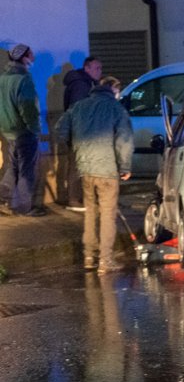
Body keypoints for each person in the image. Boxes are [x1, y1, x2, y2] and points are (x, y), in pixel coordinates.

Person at [57, 77, 134, 274]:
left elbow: (60, 129)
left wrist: (74, 148)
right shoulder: (116, 109)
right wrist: (125, 167)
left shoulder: (79, 106)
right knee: (108, 215)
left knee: (91, 211)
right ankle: (105, 260)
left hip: (85, 168)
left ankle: (89, 256)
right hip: (107, 170)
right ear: (113, 90)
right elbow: (124, 140)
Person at [0, 43, 46, 217]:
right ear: (24, 57)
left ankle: (3, 197)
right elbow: (27, 107)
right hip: (24, 132)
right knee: (27, 170)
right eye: (31, 53)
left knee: (12, 166)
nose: (33, 57)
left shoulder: (3, 78)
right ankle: (23, 207)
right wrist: (35, 129)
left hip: (8, 130)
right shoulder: (24, 79)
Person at [61, 56, 103, 212]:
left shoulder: (86, 83)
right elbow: (79, 110)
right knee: (76, 166)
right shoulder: (81, 85)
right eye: (97, 68)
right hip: (80, 133)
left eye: (100, 68)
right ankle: (74, 199)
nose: (100, 71)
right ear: (87, 68)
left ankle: (80, 198)